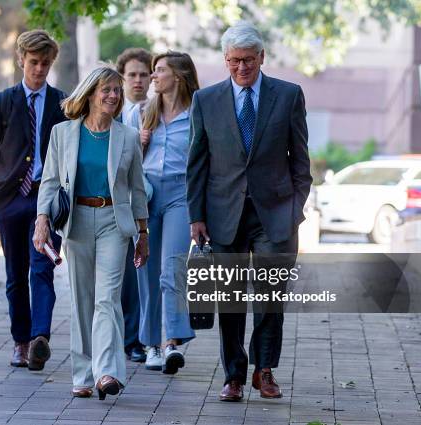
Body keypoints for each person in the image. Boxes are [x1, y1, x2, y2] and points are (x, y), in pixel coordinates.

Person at [186, 21, 312, 401]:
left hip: (275, 215)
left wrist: (294, 208)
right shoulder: (205, 101)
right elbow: (197, 163)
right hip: (223, 214)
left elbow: (301, 161)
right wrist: (196, 216)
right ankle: (234, 376)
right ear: (226, 60)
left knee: (271, 298)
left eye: (249, 61)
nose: (242, 68)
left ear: (262, 58)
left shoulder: (288, 95)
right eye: (235, 61)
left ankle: (266, 369)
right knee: (230, 299)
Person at [33, 66, 149, 400]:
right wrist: (42, 221)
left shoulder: (126, 136)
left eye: (117, 90)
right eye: (107, 90)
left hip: (115, 219)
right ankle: (82, 374)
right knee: (83, 299)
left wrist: (143, 233)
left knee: (107, 297)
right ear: (90, 94)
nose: (113, 96)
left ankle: (107, 371)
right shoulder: (63, 134)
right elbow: (51, 182)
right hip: (77, 221)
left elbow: (138, 190)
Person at [0, 30, 67, 371]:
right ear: (21, 61)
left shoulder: (61, 103)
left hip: (47, 201)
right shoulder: (2, 102)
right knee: (16, 274)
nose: (39, 69)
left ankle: (39, 338)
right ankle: (20, 341)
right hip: (11, 202)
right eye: (33, 63)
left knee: (42, 268)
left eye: (45, 63)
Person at [130, 51, 198, 374]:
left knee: (172, 268)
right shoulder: (144, 111)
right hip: (147, 195)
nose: (152, 77)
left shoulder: (198, 113)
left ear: (178, 77)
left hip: (180, 196)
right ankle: (150, 344)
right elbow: (126, 160)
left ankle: (172, 341)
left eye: (159, 71)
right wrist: (138, 142)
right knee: (146, 270)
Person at [116, 47, 153, 363]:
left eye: (144, 75)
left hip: (150, 201)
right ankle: (126, 337)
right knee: (125, 275)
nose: (138, 80)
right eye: (132, 75)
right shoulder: (112, 112)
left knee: (146, 270)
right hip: (116, 202)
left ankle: (141, 339)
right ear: (122, 78)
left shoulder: (159, 111)